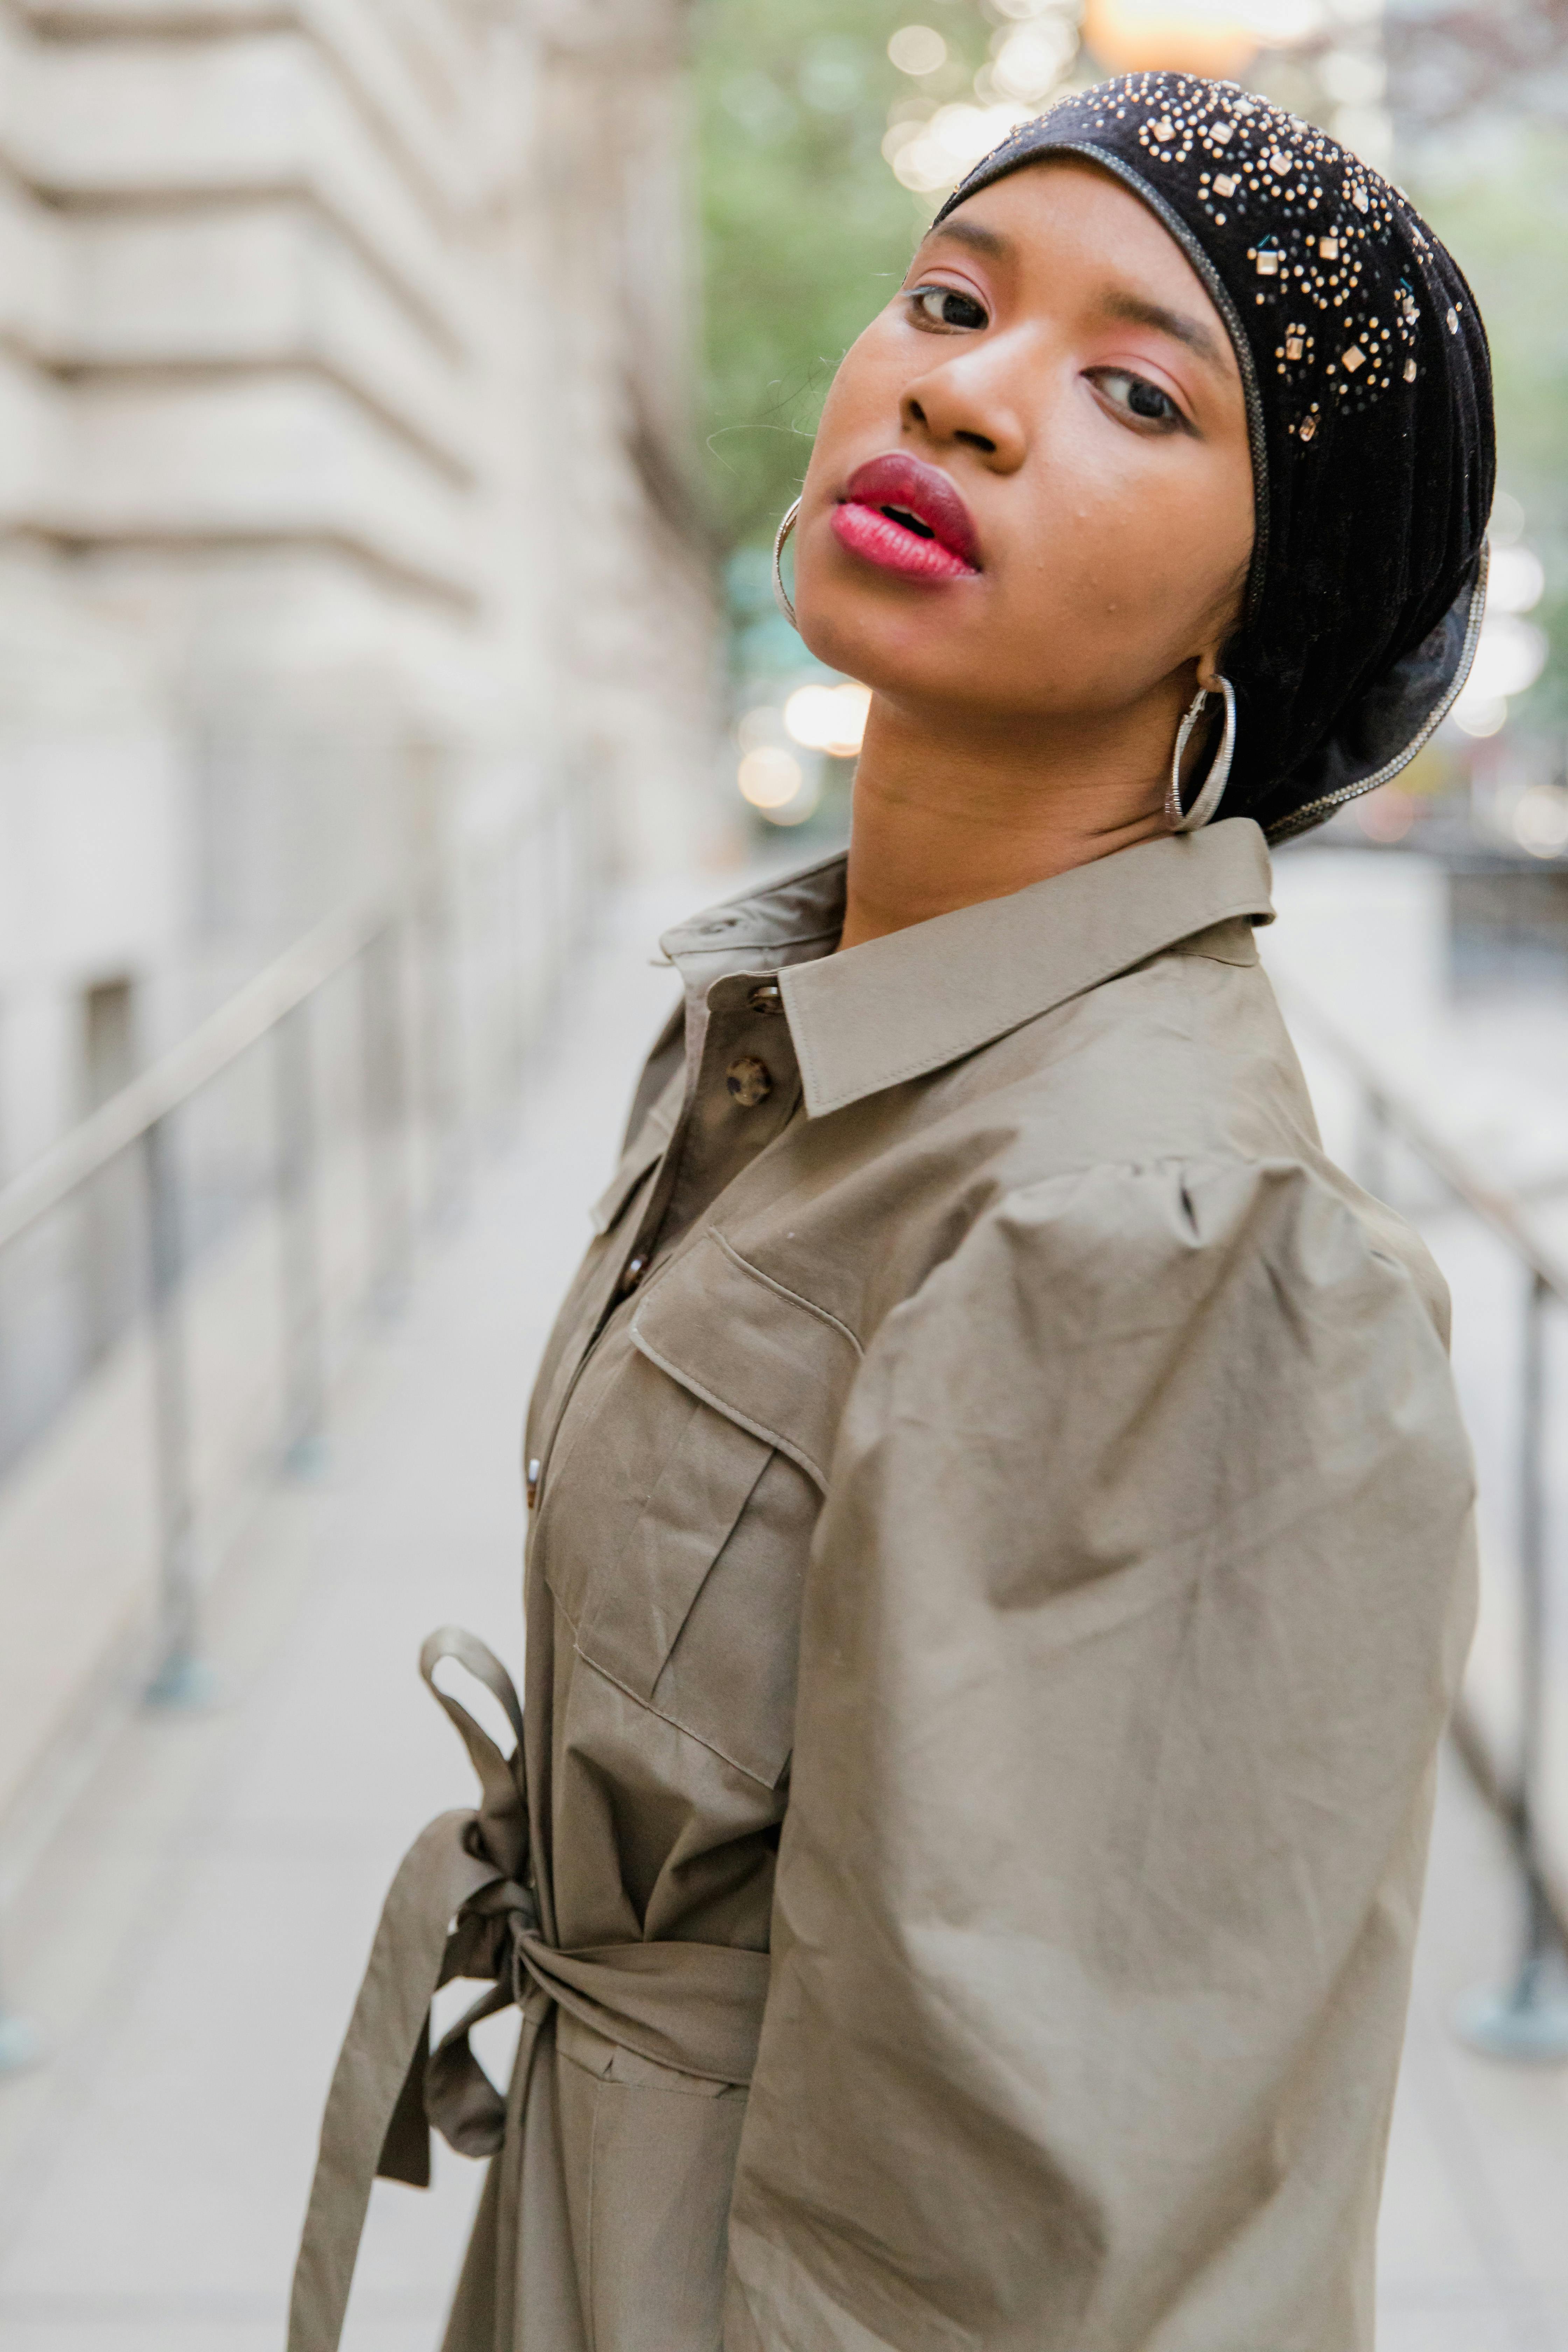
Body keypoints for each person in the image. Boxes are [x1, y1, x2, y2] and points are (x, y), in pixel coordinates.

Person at [289, 70, 1490, 2352]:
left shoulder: (1161, 1238)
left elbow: (1054, 2232)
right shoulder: (808, 1030)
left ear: (1269, 607)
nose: (971, 390)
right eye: (950, 297)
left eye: (1141, 389)